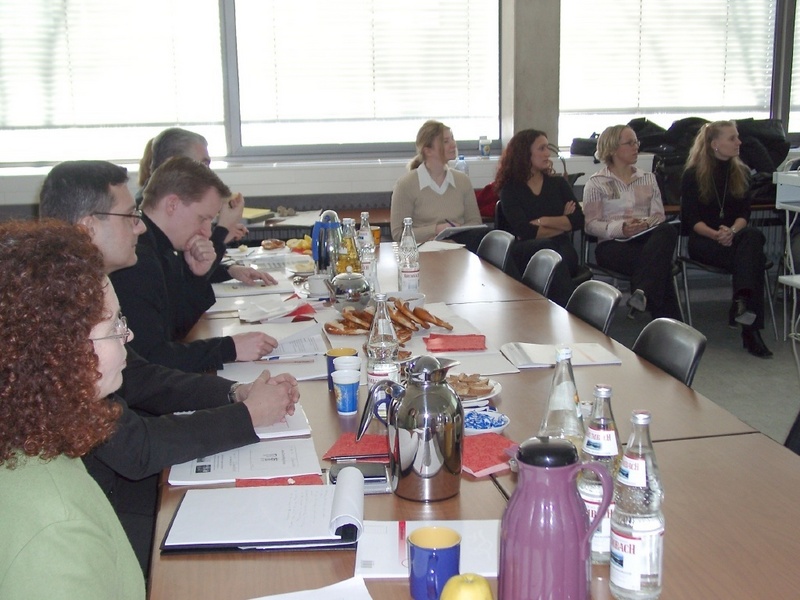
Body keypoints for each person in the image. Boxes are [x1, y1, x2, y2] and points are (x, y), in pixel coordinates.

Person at [39, 160, 300, 574]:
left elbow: (140, 373)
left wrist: (232, 392)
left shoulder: (77, 287)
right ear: (88, 226)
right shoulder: (54, 315)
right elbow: (135, 446)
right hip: (97, 512)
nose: (140, 227)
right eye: (129, 217)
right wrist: (245, 416)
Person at [0, 220, 145, 599]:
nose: (127, 335)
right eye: (115, 325)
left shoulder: (30, 437)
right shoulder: (56, 526)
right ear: (57, 351)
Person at [110, 156, 279, 372]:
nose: (207, 231)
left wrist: (196, 275)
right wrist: (229, 348)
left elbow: (176, 330)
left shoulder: (162, 247)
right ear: (172, 204)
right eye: (203, 218)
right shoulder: (137, 260)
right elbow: (149, 360)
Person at [681, 120, 772, 358]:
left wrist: (731, 231)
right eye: (732, 138)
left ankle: (742, 302)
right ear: (714, 144)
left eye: (737, 137)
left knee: (753, 236)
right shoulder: (692, 175)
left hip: (736, 238)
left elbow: (744, 215)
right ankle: (750, 328)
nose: (739, 142)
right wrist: (717, 234)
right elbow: (691, 220)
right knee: (754, 259)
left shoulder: (741, 172)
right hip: (704, 241)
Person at [583, 124, 683, 321]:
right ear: (612, 149)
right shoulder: (596, 183)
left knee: (667, 232)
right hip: (613, 246)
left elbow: (658, 215)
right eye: (630, 143)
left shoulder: (648, 178)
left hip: (646, 241)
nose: (636, 146)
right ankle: (670, 326)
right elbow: (591, 224)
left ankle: (643, 293)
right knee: (659, 267)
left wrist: (645, 224)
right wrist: (622, 228)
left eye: (636, 142)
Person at [494, 129, 585, 305]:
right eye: (541, 148)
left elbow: (578, 221)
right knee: (548, 250)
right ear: (525, 153)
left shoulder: (558, 184)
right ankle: (570, 312)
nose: (547, 153)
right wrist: (562, 221)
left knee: (556, 254)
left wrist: (543, 221)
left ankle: (563, 314)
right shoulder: (510, 189)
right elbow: (525, 231)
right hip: (525, 250)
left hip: (561, 248)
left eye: (547, 148)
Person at [139, 127, 248, 245]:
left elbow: (190, 262)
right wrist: (224, 229)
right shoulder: (144, 225)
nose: (208, 172)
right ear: (173, 164)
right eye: (202, 165)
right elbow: (193, 260)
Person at [390, 120, 485, 251]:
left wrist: (456, 231)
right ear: (428, 151)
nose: (453, 144)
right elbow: (398, 234)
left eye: (452, 139)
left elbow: (475, 223)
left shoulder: (462, 181)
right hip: (422, 256)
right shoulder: (406, 185)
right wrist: (436, 230)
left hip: (459, 253)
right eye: (445, 141)